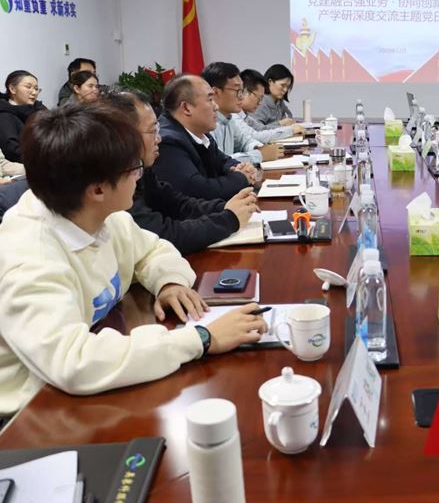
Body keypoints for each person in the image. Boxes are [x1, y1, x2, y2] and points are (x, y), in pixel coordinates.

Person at [0, 104, 269, 416]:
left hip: (93, 376)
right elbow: (74, 362)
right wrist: (202, 338)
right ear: (97, 189)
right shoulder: (28, 259)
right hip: (34, 411)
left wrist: (168, 282)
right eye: (135, 170)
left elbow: (153, 249)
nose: (140, 178)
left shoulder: (100, 214)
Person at [103, 90, 258, 254]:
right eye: (152, 131)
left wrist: (225, 207)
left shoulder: (140, 167)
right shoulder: (112, 178)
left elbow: (178, 204)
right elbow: (160, 235)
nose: (158, 138)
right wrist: (229, 218)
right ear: (123, 136)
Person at [153, 75, 256, 200]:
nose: (216, 107)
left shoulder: (200, 133)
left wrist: (240, 168)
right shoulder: (167, 142)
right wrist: (242, 177)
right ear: (186, 108)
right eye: (210, 99)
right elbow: (199, 190)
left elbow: (223, 161)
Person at [201, 62, 284, 165]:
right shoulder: (205, 123)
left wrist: (258, 148)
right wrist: (260, 154)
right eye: (237, 90)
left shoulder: (229, 118)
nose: (241, 96)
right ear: (215, 92)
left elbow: (245, 141)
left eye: (242, 91)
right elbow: (219, 162)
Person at [239, 68, 304, 141]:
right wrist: (289, 129)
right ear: (244, 92)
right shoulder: (234, 117)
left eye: (288, 87)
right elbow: (257, 136)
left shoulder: (245, 117)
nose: (285, 90)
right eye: (259, 98)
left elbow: (262, 129)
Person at [0, 70, 46, 163]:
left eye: (36, 89)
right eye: (28, 87)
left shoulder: (39, 109)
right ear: (12, 89)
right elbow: (12, 151)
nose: (34, 92)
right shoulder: (4, 115)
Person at [250, 64, 297, 129]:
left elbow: (289, 116)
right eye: (283, 85)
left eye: (288, 87)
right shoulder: (260, 102)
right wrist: (280, 124)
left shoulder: (278, 101)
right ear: (270, 81)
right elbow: (256, 129)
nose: (285, 90)